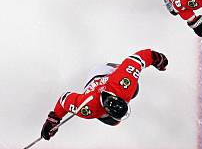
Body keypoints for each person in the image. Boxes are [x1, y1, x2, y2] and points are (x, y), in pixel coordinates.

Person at [40, 49, 168, 140]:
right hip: (94, 77)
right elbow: (64, 99)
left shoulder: (124, 82)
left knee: (134, 90)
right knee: (114, 122)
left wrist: (157, 58)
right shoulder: (88, 108)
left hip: (108, 72)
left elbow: (140, 57)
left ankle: (114, 69)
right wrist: (53, 119)